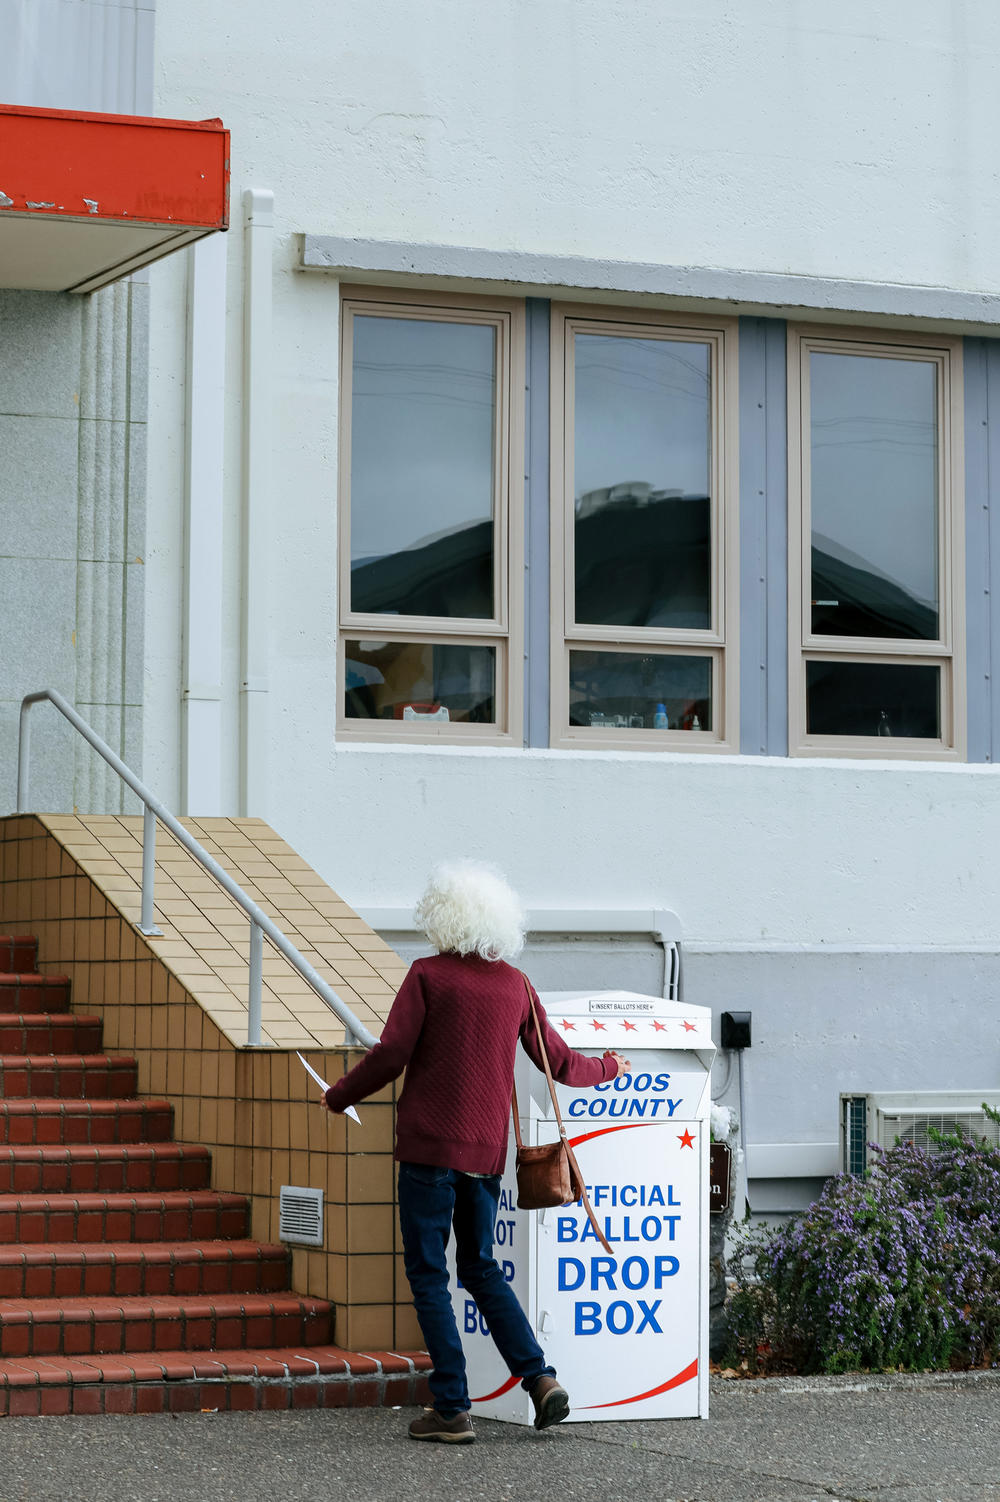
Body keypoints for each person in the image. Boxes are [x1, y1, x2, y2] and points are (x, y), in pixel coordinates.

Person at [324, 859, 631, 1445]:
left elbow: (390, 1056)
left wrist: (339, 1097)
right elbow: (560, 1063)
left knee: (429, 1276)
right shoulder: (514, 985)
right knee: (482, 1269)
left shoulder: (427, 976)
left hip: (427, 1154)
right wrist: (611, 1067)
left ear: (441, 915)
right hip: (484, 1159)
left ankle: (451, 1409)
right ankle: (539, 1379)